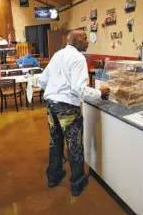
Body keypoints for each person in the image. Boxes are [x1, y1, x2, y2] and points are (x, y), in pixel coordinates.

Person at [37, 30, 110, 197]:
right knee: (74, 145)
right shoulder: (78, 58)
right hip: (67, 108)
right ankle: (77, 183)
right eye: (85, 38)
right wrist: (100, 93)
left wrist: (55, 88)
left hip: (51, 105)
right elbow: (79, 90)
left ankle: (53, 176)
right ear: (76, 40)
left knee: (55, 142)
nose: (88, 42)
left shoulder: (57, 54)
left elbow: (42, 80)